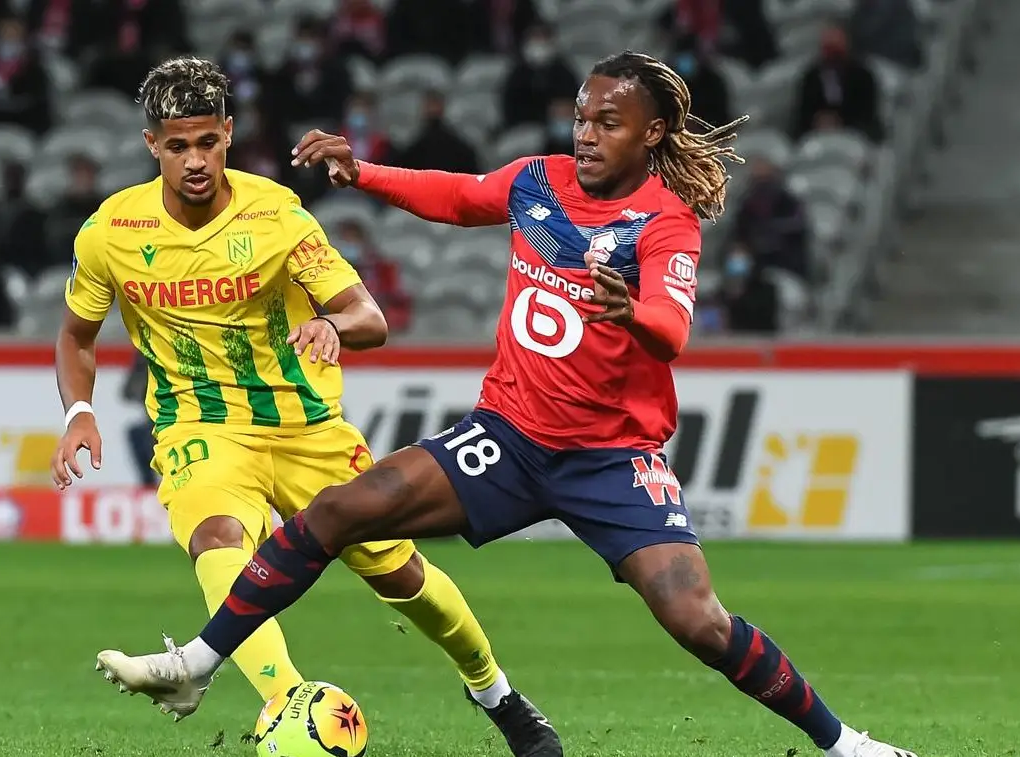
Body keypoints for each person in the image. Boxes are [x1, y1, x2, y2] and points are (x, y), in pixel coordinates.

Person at [93, 52, 919, 757]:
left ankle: (847, 745)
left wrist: (634, 312)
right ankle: (198, 663)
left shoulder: (663, 224)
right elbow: (458, 197)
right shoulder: (539, 182)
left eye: (608, 123)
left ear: (652, 134)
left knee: (697, 620)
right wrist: (364, 172)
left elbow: (672, 329)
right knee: (341, 510)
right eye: (582, 118)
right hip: (508, 438)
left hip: (610, 460)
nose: (586, 134)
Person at [61, 56, 559, 757]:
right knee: (217, 538)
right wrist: (78, 412)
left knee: (402, 576)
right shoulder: (111, 231)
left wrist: (332, 324)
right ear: (152, 145)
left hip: (306, 427)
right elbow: (77, 335)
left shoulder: (275, 215)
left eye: (206, 142)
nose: (195, 160)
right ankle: (286, 704)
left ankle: (497, 694)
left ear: (229, 134)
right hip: (200, 425)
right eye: (177, 146)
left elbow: (369, 317)